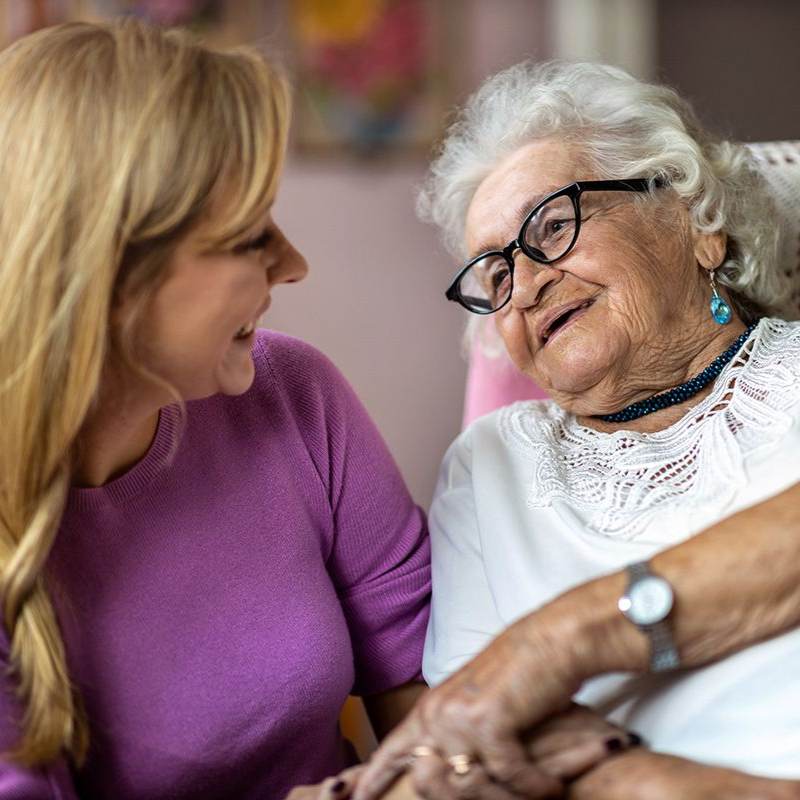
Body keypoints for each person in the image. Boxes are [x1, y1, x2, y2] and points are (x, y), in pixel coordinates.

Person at [0, 18, 436, 799]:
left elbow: (437, 708)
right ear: (109, 271)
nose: (294, 265)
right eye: (247, 237)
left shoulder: (296, 395)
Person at [354, 61, 800, 800]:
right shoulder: (491, 466)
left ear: (697, 223)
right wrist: (646, 783)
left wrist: (558, 645)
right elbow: (474, 747)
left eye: (553, 226)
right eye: (495, 275)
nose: (524, 286)